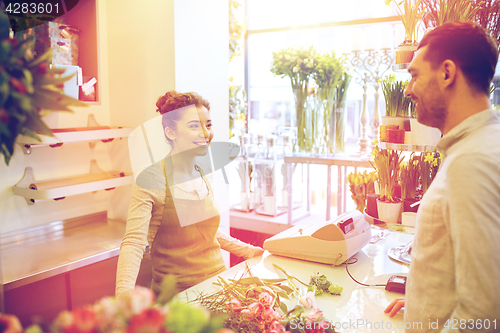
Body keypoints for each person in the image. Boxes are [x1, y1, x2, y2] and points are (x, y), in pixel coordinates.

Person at [384, 21, 500, 331]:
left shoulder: (471, 162)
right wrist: (427, 300)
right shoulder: (483, 144)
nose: (408, 90)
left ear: (447, 73)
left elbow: (482, 312)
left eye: (415, 76)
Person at [116, 91, 264, 297]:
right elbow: (133, 243)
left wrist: (250, 251)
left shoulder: (202, 172)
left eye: (208, 125)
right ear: (171, 132)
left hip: (219, 286)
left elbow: (205, 231)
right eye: (194, 126)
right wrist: (123, 299)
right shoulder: (151, 179)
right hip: (177, 298)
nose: (206, 133)